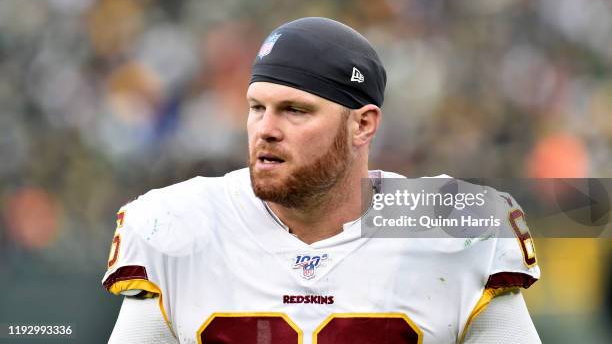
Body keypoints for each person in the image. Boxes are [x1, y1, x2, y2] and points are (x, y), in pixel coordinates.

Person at [102, 17, 541, 343]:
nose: (266, 129)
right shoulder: (182, 223)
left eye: (296, 110)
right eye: (257, 107)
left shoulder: (445, 224)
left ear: (363, 126)